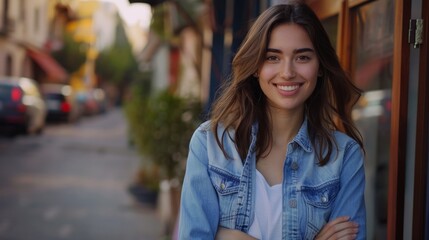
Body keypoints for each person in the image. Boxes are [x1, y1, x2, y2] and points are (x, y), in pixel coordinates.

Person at [178, 2, 366, 239]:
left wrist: (228, 236)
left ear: (320, 66)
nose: (287, 72)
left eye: (303, 57)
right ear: (256, 66)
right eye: (272, 57)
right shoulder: (210, 143)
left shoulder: (344, 156)